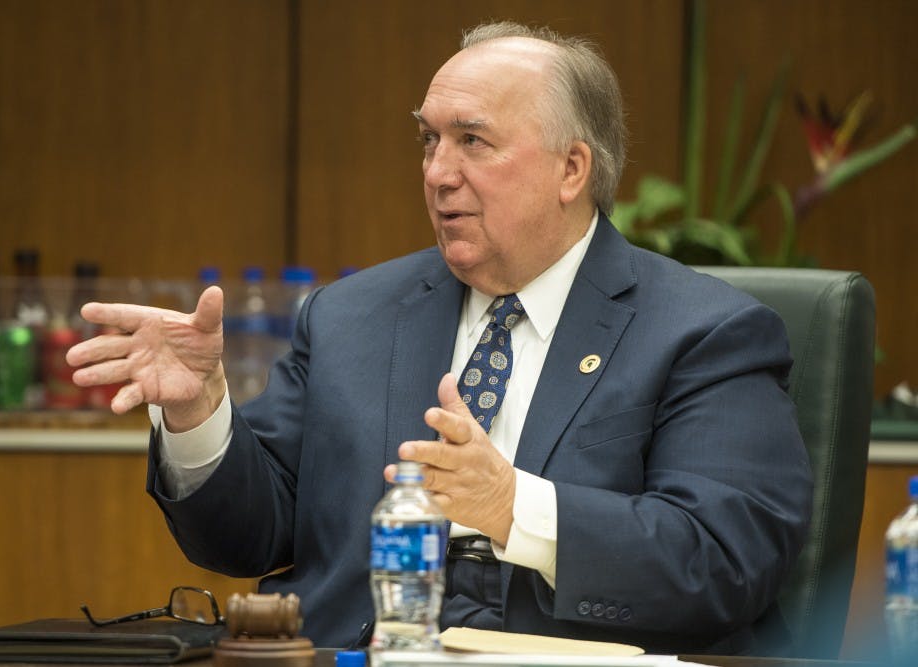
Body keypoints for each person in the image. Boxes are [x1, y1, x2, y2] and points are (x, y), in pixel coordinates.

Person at [67, 21, 812, 655]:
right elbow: (247, 536)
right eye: (429, 140)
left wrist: (513, 505)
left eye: (473, 141)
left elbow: (726, 559)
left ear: (571, 169)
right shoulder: (351, 316)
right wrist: (199, 412)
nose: (437, 173)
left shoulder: (704, 332)